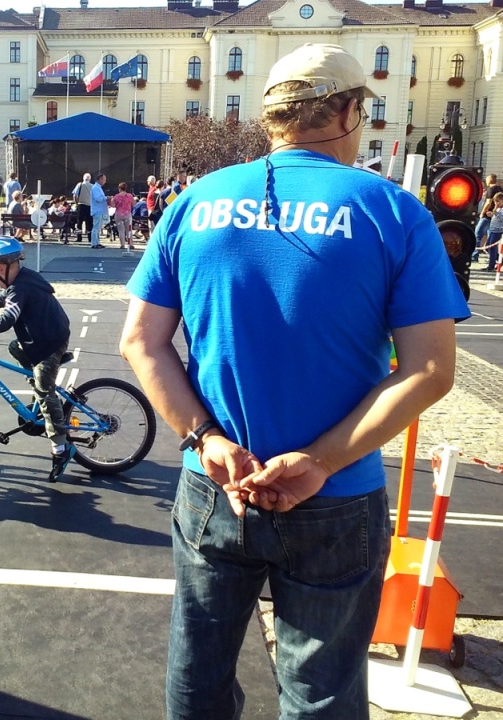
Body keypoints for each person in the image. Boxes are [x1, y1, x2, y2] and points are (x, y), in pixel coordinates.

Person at [119, 43, 468, 720]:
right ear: (346, 109)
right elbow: (430, 369)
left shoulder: (196, 201)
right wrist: (319, 460)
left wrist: (204, 440)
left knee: (199, 678)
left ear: (273, 117)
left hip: (216, 482)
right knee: (323, 693)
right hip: (337, 496)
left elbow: (141, 342)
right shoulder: (390, 211)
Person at [0, 237, 73, 481]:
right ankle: (37, 380)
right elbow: (4, 299)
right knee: (16, 347)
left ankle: (61, 449)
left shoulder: (20, 287)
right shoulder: (22, 280)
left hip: (49, 342)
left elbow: (7, 319)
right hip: (44, 336)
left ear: (1, 268)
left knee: (45, 391)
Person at [475, 174, 502, 261]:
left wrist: (482, 213)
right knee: (492, 240)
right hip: (494, 217)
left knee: (478, 234)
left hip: (487, 215)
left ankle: (474, 255)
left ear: (489, 180)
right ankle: (493, 258)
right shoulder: (500, 188)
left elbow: (488, 201)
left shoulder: (491, 189)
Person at [112, 182, 135, 251]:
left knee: (121, 230)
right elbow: (134, 204)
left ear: (119, 188)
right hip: (127, 214)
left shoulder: (116, 196)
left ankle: (122, 244)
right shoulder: (130, 196)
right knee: (129, 230)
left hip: (119, 214)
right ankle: (130, 244)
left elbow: (112, 205)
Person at [72, 172, 93, 242]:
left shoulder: (80, 185)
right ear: (90, 179)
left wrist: (76, 203)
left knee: (79, 222)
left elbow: (75, 195)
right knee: (89, 222)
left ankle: (79, 237)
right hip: (90, 206)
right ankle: (90, 238)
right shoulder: (92, 186)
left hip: (81, 205)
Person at [485, 191, 503, 272]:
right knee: (488, 246)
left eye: (498, 201)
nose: (496, 203)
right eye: (495, 201)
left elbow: (501, 219)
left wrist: (495, 213)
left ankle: (491, 265)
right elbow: (495, 216)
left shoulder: (502, 210)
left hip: (498, 231)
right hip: (492, 230)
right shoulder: (498, 209)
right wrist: (491, 214)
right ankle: (498, 259)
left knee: (492, 248)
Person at [89, 173, 108, 249]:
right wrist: (106, 198)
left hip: (99, 210)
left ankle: (97, 242)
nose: (105, 181)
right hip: (97, 210)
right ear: (99, 179)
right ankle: (94, 243)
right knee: (96, 227)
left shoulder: (98, 187)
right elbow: (98, 198)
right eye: (104, 179)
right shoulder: (95, 188)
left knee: (98, 228)